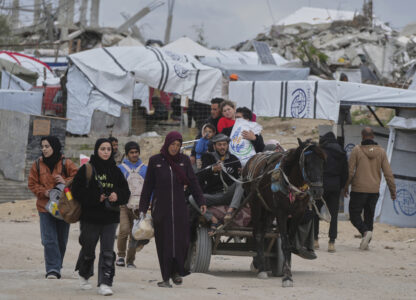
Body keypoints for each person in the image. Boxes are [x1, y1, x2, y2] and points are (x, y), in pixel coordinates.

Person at [138, 131, 207, 288]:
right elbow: (147, 187)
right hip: (161, 209)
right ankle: (166, 277)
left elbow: (193, 182)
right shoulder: (155, 161)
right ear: (167, 143)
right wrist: (142, 209)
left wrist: (201, 200)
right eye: (172, 144)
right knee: (165, 243)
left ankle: (177, 272)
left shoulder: (184, 161)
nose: (175, 148)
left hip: (180, 209)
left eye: (178, 145)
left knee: (182, 241)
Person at [71, 138, 130, 296]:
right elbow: (76, 191)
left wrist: (117, 196)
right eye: (102, 149)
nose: (106, 152)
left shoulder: (116, 171)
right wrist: (96, 197)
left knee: (107, 251)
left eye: (108, 149)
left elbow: (126, 192)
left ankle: (105, 282)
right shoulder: (87, 169)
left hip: (110, 217)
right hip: (90, 217)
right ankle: (84, 274)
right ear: (97, 150)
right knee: (88, 248)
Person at [28, 136, 78, 279]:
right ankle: (52, 269)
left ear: (54, 147)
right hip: (45, 207)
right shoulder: (37, 164)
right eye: (42, 146)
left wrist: (65, 181)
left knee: (61, 239)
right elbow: (31, 184)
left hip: (64, 207)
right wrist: (44, 192)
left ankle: (57, 264)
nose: (44, 149)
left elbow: (78, 178)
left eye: (47, 146)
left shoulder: (66, 163)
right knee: (49, 239)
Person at [344, 127, 396, 250]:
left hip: (358, 189)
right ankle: (366, 241)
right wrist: (393, 190)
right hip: (374, 190)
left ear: (362, 136)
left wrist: (346, 186)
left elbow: (350, 172)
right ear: (373, 137)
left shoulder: (356, 150)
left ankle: (365, 232)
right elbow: (388, 173)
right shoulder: (382, 152)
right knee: (369, 216)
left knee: (354, 215)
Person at [193, 134, 242, 230]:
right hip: (213, 195)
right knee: (192, 198)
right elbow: (200, 176)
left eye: (224, 144)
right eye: (219, 145)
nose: (222, 147)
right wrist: (212, 170)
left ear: (227, 145)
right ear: (214, 146)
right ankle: (213, 219)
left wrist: (242, 172)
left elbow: (237, 179)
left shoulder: (234, 159)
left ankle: (230, 211)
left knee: (241, 181)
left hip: (229, 195)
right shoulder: (207, 157)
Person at [314, 132, 348, 253]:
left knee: (316, 212)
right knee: (334, 215)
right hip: (335, 186)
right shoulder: (341, 152)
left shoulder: (320, 151)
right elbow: (345, 172)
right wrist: (342, 186)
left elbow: (315, 169)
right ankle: (331, 242)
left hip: (321, 186)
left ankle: (315, 240)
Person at [116, 141, 148, 268]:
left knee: (136, 234)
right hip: (124, 205)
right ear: (127, 154)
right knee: (124, 230)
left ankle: (130, 261)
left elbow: (149, 187)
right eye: (131, 152)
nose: (134, 155)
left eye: (136, 152)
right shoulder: (121, 169)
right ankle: (121, 256)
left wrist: (149, 202)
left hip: (139, 207)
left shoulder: (145, 169)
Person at [190, 98, 224, 165]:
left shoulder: (225, 122)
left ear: (221, 110)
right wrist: (193, 154)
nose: (212, 111)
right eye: (211, 109)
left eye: (215, 109)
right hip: (204, 154)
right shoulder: (208, 121)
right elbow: (198, 137)